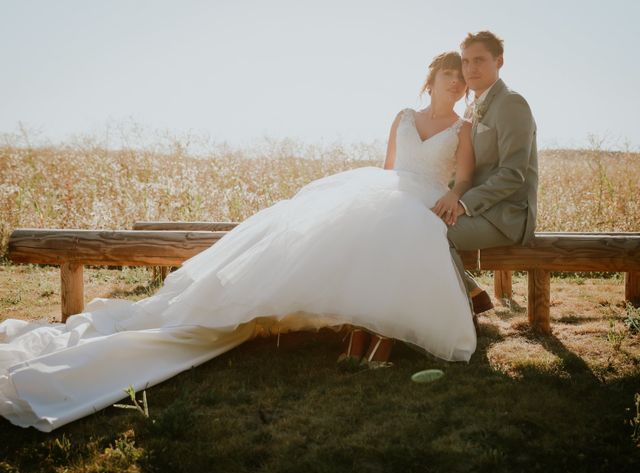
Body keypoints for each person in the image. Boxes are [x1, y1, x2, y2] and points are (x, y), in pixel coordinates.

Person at [0, 51, 476, 432]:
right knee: (355, 224)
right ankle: (356, 331)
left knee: (403, 230)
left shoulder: (463, 127)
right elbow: (388, 168)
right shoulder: (403, 116)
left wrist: (452, 196)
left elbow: (465, 174)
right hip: (388, 189)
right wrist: (375, 197)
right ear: (430, 80)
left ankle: (376, 336)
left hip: (429, 197)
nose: (455, 83)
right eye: (447, 75)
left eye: (461, 78)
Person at [446, 31, 538, 323]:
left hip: (509, 214)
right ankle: (472, 295)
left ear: (499, 62)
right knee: (420, 223)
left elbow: (513, 174)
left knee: (436, 235)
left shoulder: (512, 103)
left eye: (479, 60)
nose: (470, 68)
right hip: (481, 210)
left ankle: (461, 314)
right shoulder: (472, 106)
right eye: (465, 61)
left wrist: (464, 205)